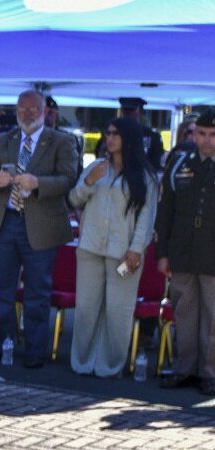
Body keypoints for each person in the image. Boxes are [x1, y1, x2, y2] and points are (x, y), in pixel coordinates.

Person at [0, 89, 80, 368]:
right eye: (22, 109)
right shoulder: (2, 140)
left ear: (44, 111)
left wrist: (39, 183)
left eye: (33, 109)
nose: (27, 114)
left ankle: (35, 350)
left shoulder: (62, 141)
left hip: (41, 226)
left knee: (37, 291)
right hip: (4, 222)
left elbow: (69, 179)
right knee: (0, 288)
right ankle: (0, 342)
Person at [66, 117, 156, 377]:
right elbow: (73, 200)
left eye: (116, 134)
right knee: (86, 309)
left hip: (125, 255)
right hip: (90, 250)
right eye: (108, 133)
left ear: (129, 139)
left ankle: (110, 366)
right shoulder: (96, 167)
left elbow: (146, 218)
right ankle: (82, 363)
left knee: (118, 311)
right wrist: (89, 182)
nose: (110, 138)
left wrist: (136, 250)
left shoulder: (145, 177)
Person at [155, 109, 215, 395]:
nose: (207, 141)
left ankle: (210, 372)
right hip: (182, 250)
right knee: (185, 313)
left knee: (213, 316)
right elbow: (165, 211)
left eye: (213, 135)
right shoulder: (179, 162)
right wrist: (162, 253)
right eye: (202, 134)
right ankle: (185, 368)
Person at [118, 97, 164, 168]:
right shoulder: (114, 133)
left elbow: (156, 163)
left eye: (132, 110)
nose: (128, 113)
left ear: (141, 112)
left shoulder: (152, 136)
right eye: (125, 110)